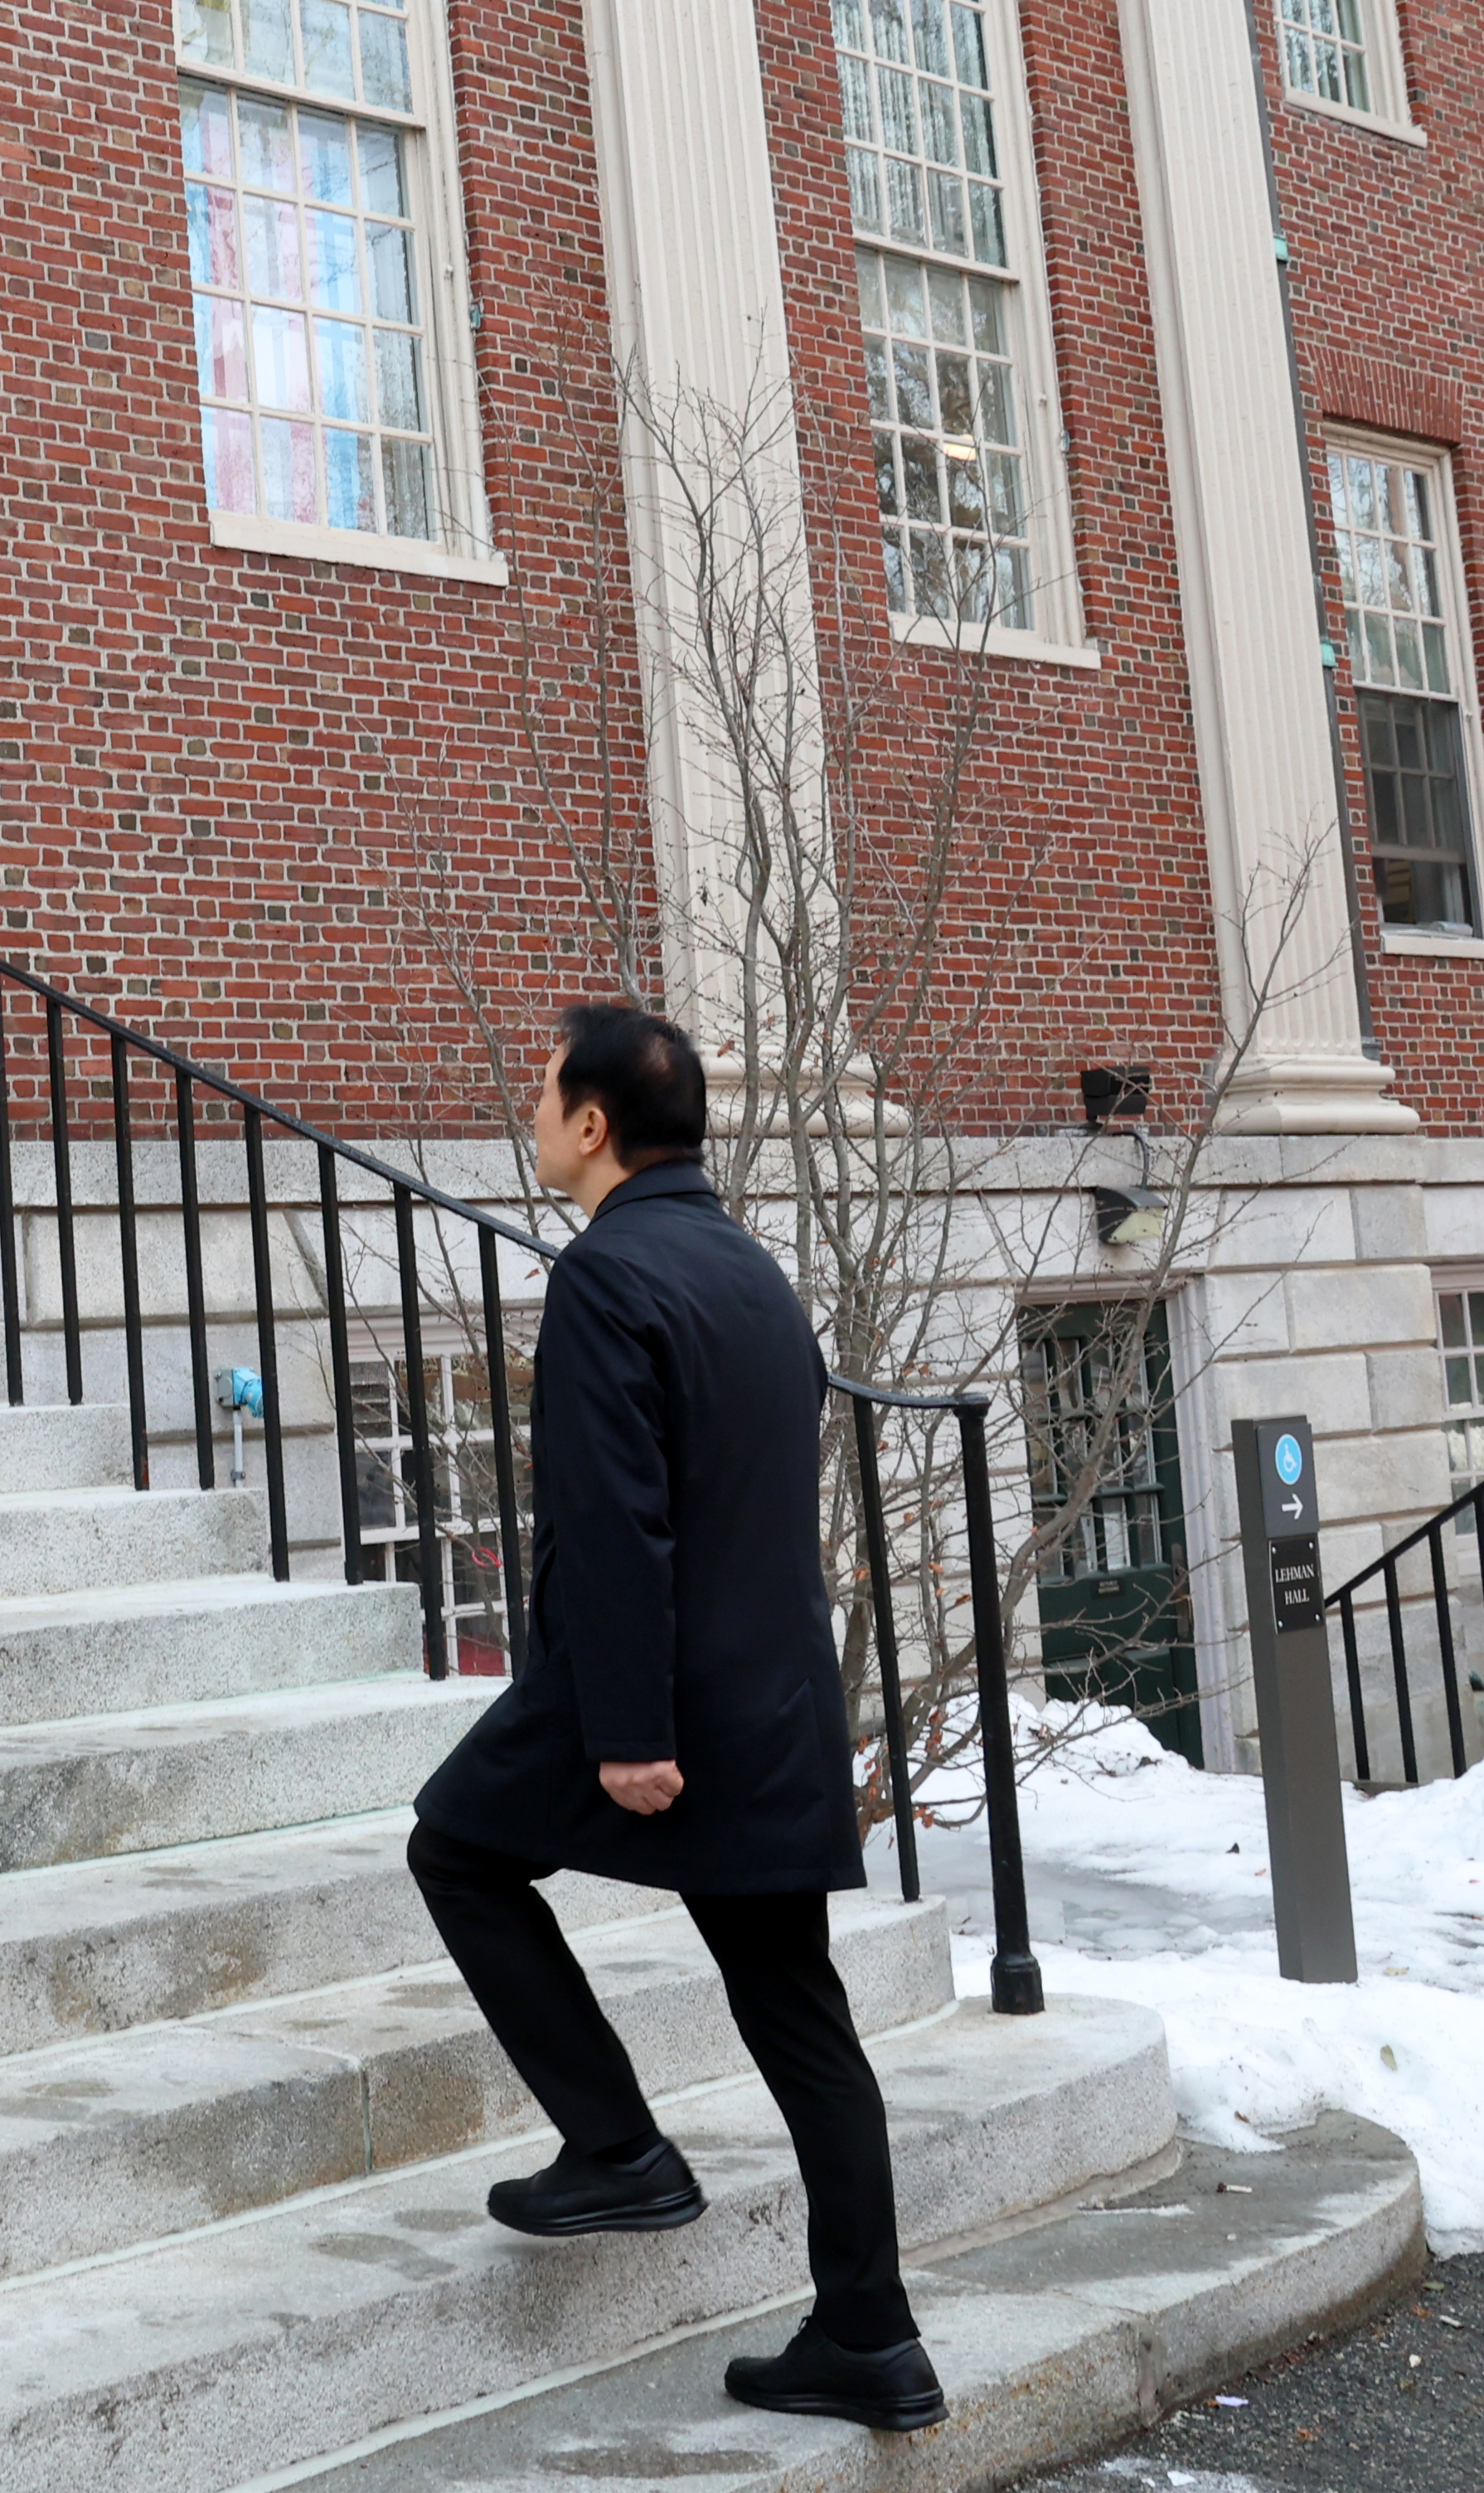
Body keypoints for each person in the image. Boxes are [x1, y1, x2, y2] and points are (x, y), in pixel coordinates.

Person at [402, 1001, 940, 2432]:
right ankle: (869, 2335)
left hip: (649, 1695)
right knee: (800, 2017)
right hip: (773, 1700)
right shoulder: (750, 1270)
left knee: (454, 1849)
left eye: (543, 1095)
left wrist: (628, 1730)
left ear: (592, 1124)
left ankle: (619, 2147)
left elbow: (617, 1519)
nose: (532, 1115)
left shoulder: (605, 1274)